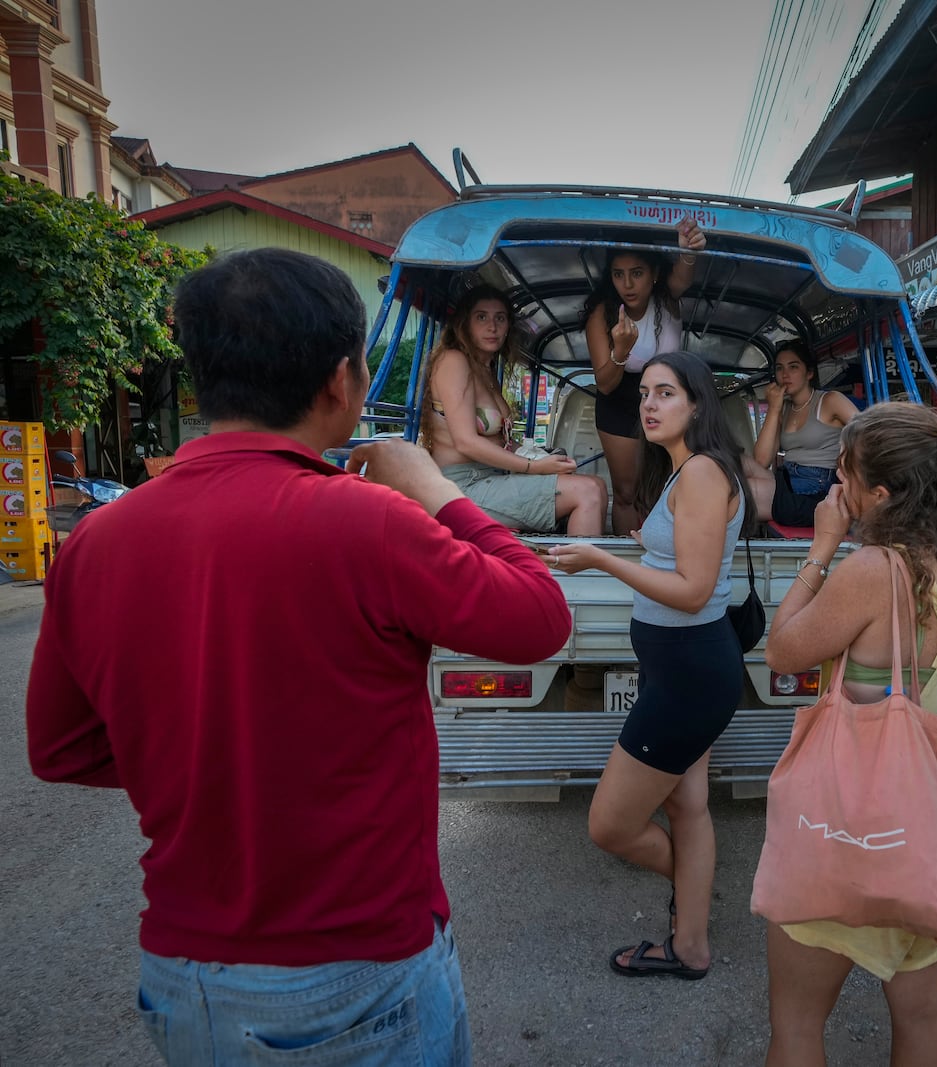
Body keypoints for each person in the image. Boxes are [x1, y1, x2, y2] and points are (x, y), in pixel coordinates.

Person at [26, 248, 574, 1065]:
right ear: (339, 383)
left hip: (186, 979)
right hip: (360, 977)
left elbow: (62, 748)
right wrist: (436, 491)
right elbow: (539, 615)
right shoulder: (368, 522)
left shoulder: (96, 540)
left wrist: (208, 754)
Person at [760, 403, 937, 1067]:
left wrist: (822, 549)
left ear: (880, 496)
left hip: (854, 839)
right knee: (920, 1010)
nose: (837, 488)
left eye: (845, 474)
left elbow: (782, 650)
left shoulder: (876, 572)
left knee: (797, 1020)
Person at [545, 350, 750, 982]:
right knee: (688, 807)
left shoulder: (702, 475)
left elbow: (692, 590)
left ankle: (690, 893)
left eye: (665, 393)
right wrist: (648, 544)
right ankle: (690, 945)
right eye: (644, 395)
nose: (649, 405)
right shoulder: (688, 472)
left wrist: (601, 560)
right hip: (685, 669)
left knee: (610, 825)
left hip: (690, 675)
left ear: (696, 404)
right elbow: (685, 557)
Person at [424, 284, 608, 535]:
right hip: (461, 487)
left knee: (597, 485)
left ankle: (579, 569)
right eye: (481, 317)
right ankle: (576, 574)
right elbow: (465, 442)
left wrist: (543, 458)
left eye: (500, 318)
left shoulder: (485, 371)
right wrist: (533, 468)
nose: (492, 327)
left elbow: (502, 441)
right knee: (588, 493)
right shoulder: (454, 361)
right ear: (464, 323)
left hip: (490, 478)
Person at [583, 217, 706, 533]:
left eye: (636, 273)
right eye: (618, 275)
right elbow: (605, 384)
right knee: (626, 494)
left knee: (667, 488)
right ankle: (630, 567)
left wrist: (688, 251)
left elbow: (684, 275)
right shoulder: (601, 312)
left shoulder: (667, 296)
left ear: (653, 274)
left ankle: (667, 561)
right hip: (620, 400)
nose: (627, 284)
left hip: (669, 398)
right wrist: (621, 351)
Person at [747, 340, 857, 526]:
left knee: (740, 490)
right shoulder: (783, 408)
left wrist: (848, 462)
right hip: (789, 479)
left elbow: (869, 430)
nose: (785, 375)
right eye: (780, 368)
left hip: (818, 488)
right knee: (734, 463)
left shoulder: (830, 400)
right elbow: (761, 461)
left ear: (810, 373)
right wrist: (774, 409)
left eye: (793, 367)